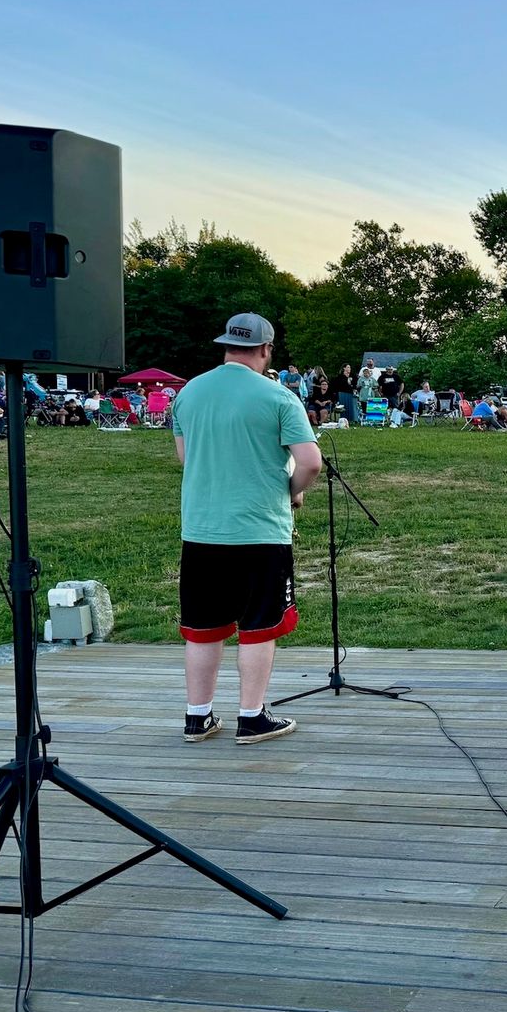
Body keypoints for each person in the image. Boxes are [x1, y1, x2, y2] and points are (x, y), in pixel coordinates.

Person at [171, 313, 318, 747]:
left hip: (202, 530)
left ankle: (197, 718)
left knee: (203, 627)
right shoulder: (279, 397)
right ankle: (252, 718)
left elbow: (186, 458)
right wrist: (292, 492)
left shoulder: (188, 393)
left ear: (226, 345)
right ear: (266, 349)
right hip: (260, 531)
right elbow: (310, 463)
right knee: (258, 625)